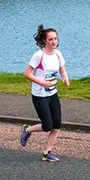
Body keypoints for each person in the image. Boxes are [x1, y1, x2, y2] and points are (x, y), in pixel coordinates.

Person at [20, 24, 69, 162]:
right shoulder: (38, 55)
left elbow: (62, 70)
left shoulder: (58, 54)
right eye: (51, 39)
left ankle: (47, 153)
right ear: (44, 41)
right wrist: (42, 83)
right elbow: (27, 74)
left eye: (55, 39)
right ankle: (28, 130)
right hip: (40, 95)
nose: (54, 42)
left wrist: (65, 77)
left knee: (57, 124)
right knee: (47, 125)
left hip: (52, 93)